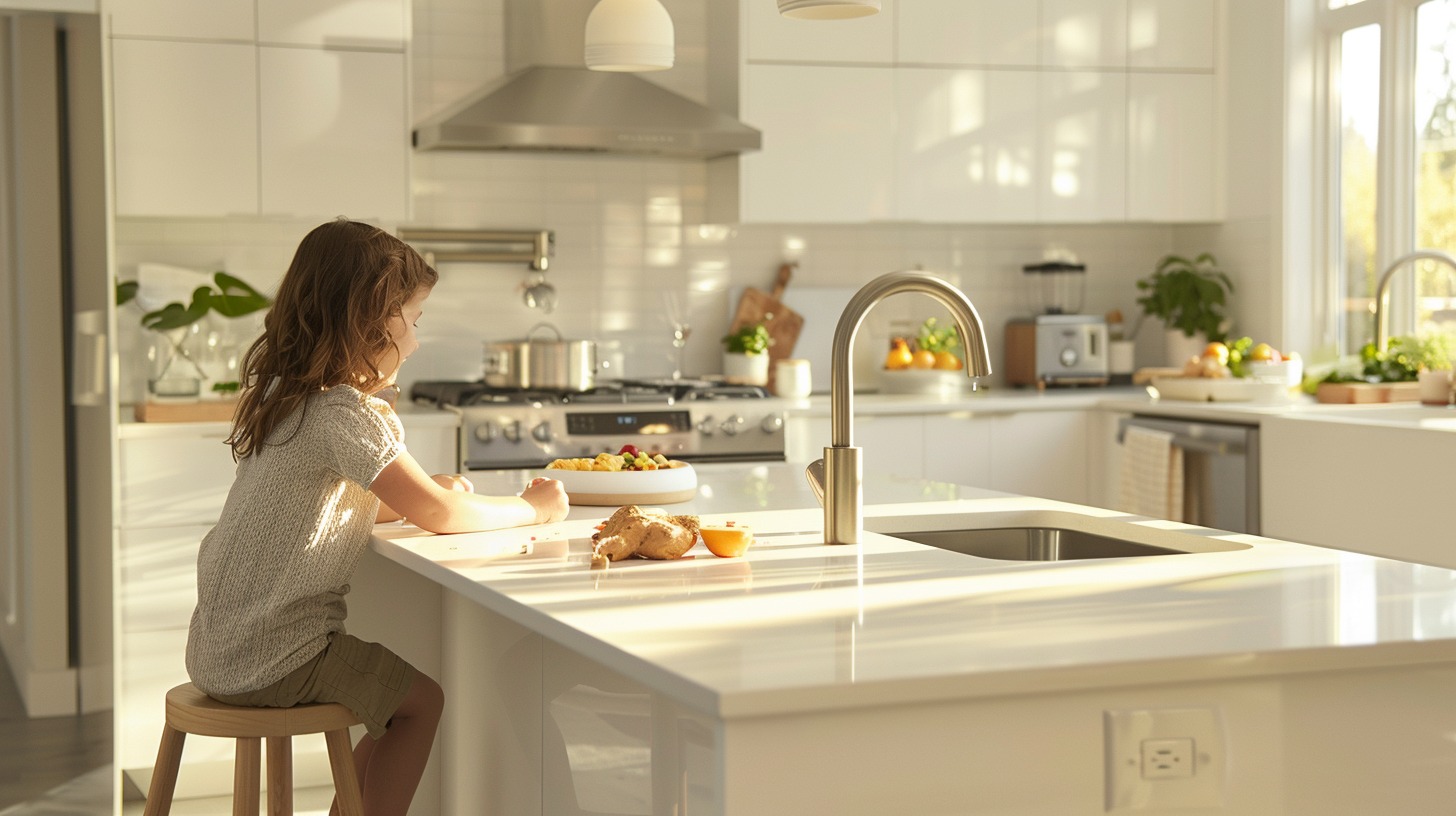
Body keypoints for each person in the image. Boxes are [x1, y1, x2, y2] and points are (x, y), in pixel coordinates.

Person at [185, 218, 568, 816]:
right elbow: (441, 516)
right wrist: (532, 507)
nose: (414, 343)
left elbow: (321, 503)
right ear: (369, 323)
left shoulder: (283, 397)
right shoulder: (348, 413)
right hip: (277, 655)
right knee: (421, 703)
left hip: (217, 648)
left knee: (404, 699)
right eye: (412, 321)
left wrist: (417, 494)